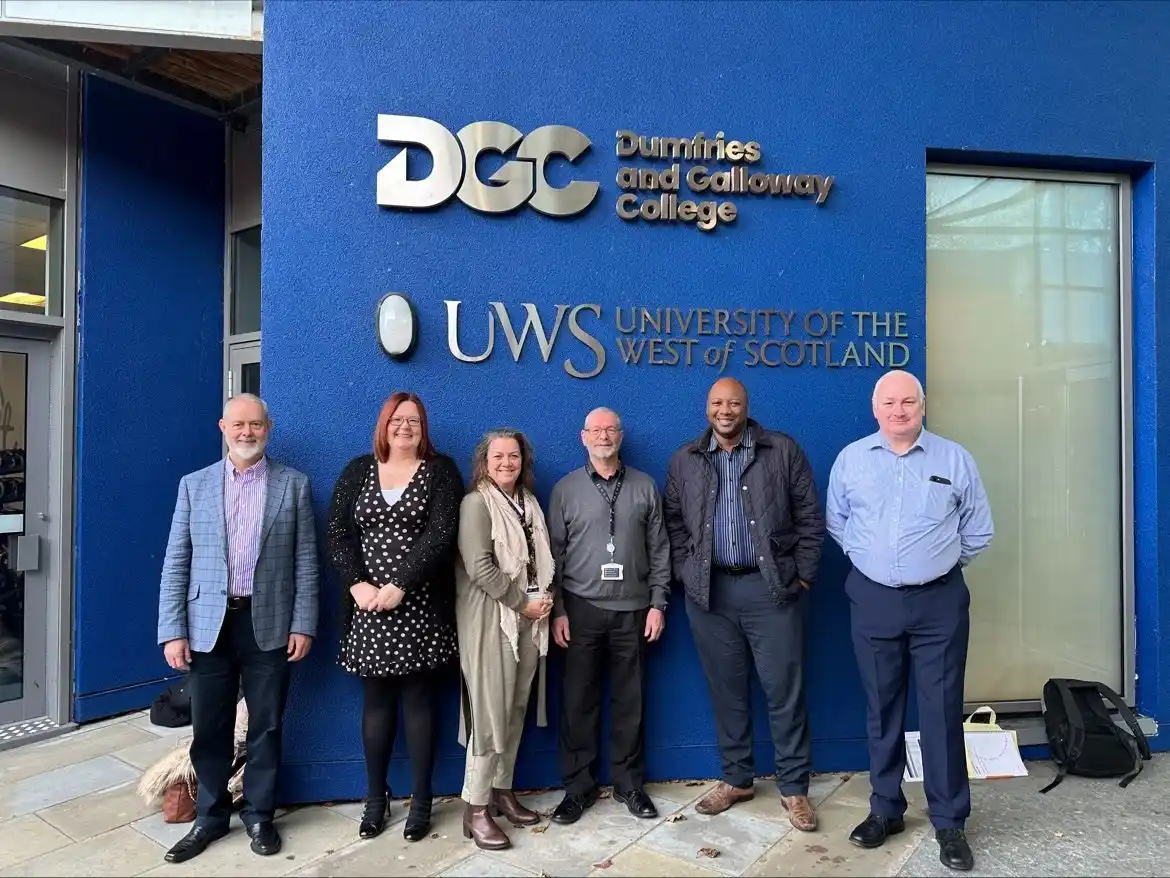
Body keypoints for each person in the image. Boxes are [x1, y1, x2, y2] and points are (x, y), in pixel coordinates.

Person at [826, 369, 993, 872]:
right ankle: (885, 809)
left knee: (941, 710)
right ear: (875, 408)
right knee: (882, 707)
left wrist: (933, 565)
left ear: (923, 406)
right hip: (873, 600)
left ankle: (949, 823)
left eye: (908, 402)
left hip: (939, 603)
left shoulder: (954, 459)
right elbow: (838, 523)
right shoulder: (852, 459)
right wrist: (876, 565)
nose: (899, 411)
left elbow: (978, 531)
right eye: (889, 403)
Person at [156, 393, 319, 863]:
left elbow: (306, 563)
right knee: (210, 724)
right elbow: (176, 562)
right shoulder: (195, 486)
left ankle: (260, 814)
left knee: (266, 725)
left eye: (256, 425)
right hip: (208, 624)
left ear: (268, 428)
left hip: (268, 623)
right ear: (222, 427)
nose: (247, 432)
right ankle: (210, 816)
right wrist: (173, 629)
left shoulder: (293, 485)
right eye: (238, 425)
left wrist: (303, 623)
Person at [663, 377, 824, 831]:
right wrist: (686, 570)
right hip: (710, 594)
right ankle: (737, 779)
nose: (725, 410)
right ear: (706, 407)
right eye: (717, 402)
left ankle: (794, 790)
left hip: (771, 590)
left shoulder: (781, 450)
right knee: (726, 691)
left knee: (784, 693)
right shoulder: (686, 460)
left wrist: (804, 576)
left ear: (746, 406)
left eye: (733, 402)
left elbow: (811, 516)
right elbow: (673, 523)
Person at [326, 391, 463, 842]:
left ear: (424, 427)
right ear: (383, 425)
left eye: (414, 421)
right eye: (396, 420)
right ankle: (374, 799)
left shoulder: (440, 472)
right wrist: (357, 585)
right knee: (377, 705)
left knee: (420, 703)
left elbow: (442, 533)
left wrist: (400, 584)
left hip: (420, 606)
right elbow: (339, 533)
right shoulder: (357, 470)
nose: (405, 427)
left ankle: (421, 800)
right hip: (367, 609)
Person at [547, 407, 671, 824]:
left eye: (611, 429)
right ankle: (577, 789)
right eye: (596, 430)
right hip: (580, 610)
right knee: (578, 702)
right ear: (583, 437)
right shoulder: (566, 489)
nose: (603, 436)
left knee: (630, 701)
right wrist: (559, 611)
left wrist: (658, 603)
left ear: (621, 436)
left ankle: (629, 785)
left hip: (634, 611)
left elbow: (660, 551)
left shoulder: (645, 486)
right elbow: (554, 558)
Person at [455, 428, 554, 850]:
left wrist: (543, 601)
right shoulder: (476, 503)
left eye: (513, 456)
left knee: (514, 708)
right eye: (498, 457)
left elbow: (540, 560)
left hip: (530, 621)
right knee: (490, 712)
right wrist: (522, 603)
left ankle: (501, 790)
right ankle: (475, 809)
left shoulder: (528, 503)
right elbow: (480, 567)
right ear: (485, 461)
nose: (506, 463)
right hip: (493, 621)